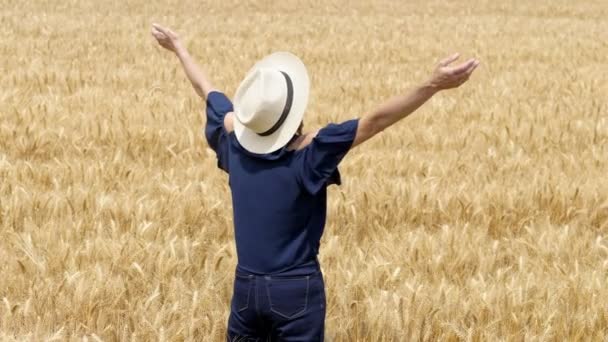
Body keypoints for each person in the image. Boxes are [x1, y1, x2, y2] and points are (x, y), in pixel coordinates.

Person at [151, 23, 479, 341]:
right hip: (295, 290)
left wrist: (181, 50)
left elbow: (208, 93)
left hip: (246, 288)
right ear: (293, 113)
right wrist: (431, 85)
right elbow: (376, 121)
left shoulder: (233, 146)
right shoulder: (312, 154)